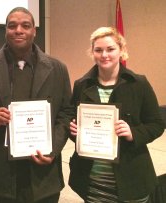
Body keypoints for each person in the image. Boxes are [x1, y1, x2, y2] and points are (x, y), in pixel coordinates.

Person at [0, 7, 72, 203]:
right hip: (0, 173)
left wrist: (53, 149)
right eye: (12, 26)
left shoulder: (58, 68)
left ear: (34, 31)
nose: (18, 30)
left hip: (43, 173)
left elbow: (66, 113)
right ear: (5, 30)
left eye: (25, 25)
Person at [68, 27, 165, 203]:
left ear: (122, 50)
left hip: (131, 176)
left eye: (111, 49)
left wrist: (133, 133)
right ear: (92, 52)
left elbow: (157, 123)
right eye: (98, 50)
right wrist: (73, 130)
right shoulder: (81, 85)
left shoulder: (139, 83)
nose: (104, 54)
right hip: (93, 179)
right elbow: (72, 121)